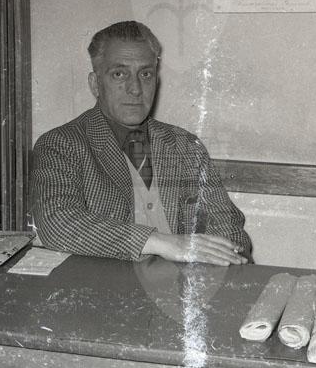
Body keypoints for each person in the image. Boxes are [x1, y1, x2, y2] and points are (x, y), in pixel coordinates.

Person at [31, 20, 251, 266]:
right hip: (106, 286)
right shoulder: (61, 144)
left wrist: (226, 261)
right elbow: (57, 224)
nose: (135, 89)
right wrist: (163, 243)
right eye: (119, 74)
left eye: (145, 74)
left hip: (181, 283)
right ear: (95, 84)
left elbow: (229, 229)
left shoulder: (186, 146)